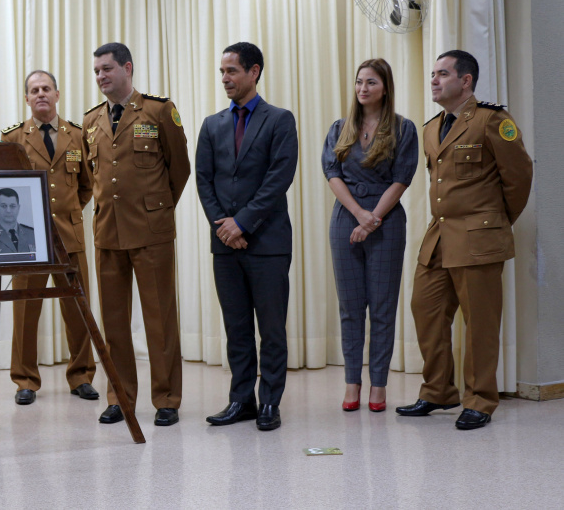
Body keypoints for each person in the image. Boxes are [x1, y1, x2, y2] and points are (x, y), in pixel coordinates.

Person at [397, 50, 533, 429]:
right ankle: (438, 391)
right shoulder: (431, 128)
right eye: (433, 74)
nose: (434, 80)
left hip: (478, 239)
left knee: (480, 324)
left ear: (466, 80)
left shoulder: (492, 120)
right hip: (439, 237)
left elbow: (519, 177)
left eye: (443, 74)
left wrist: (494, 225)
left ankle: (480, 400)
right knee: (425, 310)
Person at [81, 42, 191, 427]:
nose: (101, 76)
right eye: (96, 71)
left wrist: (156, 209)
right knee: (113, 323)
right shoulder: (91, 120)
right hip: (107, 232)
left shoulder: (159, 111)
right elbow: (92, 178)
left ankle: (166, 398)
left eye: (107, 69)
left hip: (151, 232)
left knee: (160, 319)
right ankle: (120, 397)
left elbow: (179, 169)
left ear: (127, 68)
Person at [195, 42, 298, 431]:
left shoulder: (280, 120)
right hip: (225, 245)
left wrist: (243, 223)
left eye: (232, 71)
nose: (225, 78)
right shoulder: (212, 125)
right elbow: (204, 180)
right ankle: (241, 400)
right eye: (222, 72)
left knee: (271, 329)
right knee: (236, 328)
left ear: (254, 72)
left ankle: (269, 401)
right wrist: (224, 226)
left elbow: (278, 179)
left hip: (268, 243)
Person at [321, 59, 418, 413]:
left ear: (385, 88)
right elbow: (332, 173)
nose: (363, 88)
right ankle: (352, 382)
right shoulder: (340, 127)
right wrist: (359, 215)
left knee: (382, 307)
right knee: (350, 308)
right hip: (346, 218)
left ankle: (378, 384)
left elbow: (402, 178)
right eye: (359, 81)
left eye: (371, 82)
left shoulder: (403, 129)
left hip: (386, 221)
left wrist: (373, 218)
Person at [0, 70, 98, 406]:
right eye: (34, 90)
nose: (40, 93)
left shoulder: (77, 135)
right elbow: (4, 189)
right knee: (25, 312)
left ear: (57, 94)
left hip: (69, 235)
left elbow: (87, 186)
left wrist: (68, 212)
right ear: (27, 98)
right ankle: (25, 380)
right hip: (27, 239)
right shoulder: (13, 138)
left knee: (78, 308)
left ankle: (81, 375)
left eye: (46, 88)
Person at [0, 188, 36, 254]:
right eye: (3, 206)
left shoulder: (33, 234)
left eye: (12, 206)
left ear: (18, 207)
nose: (8, 210)